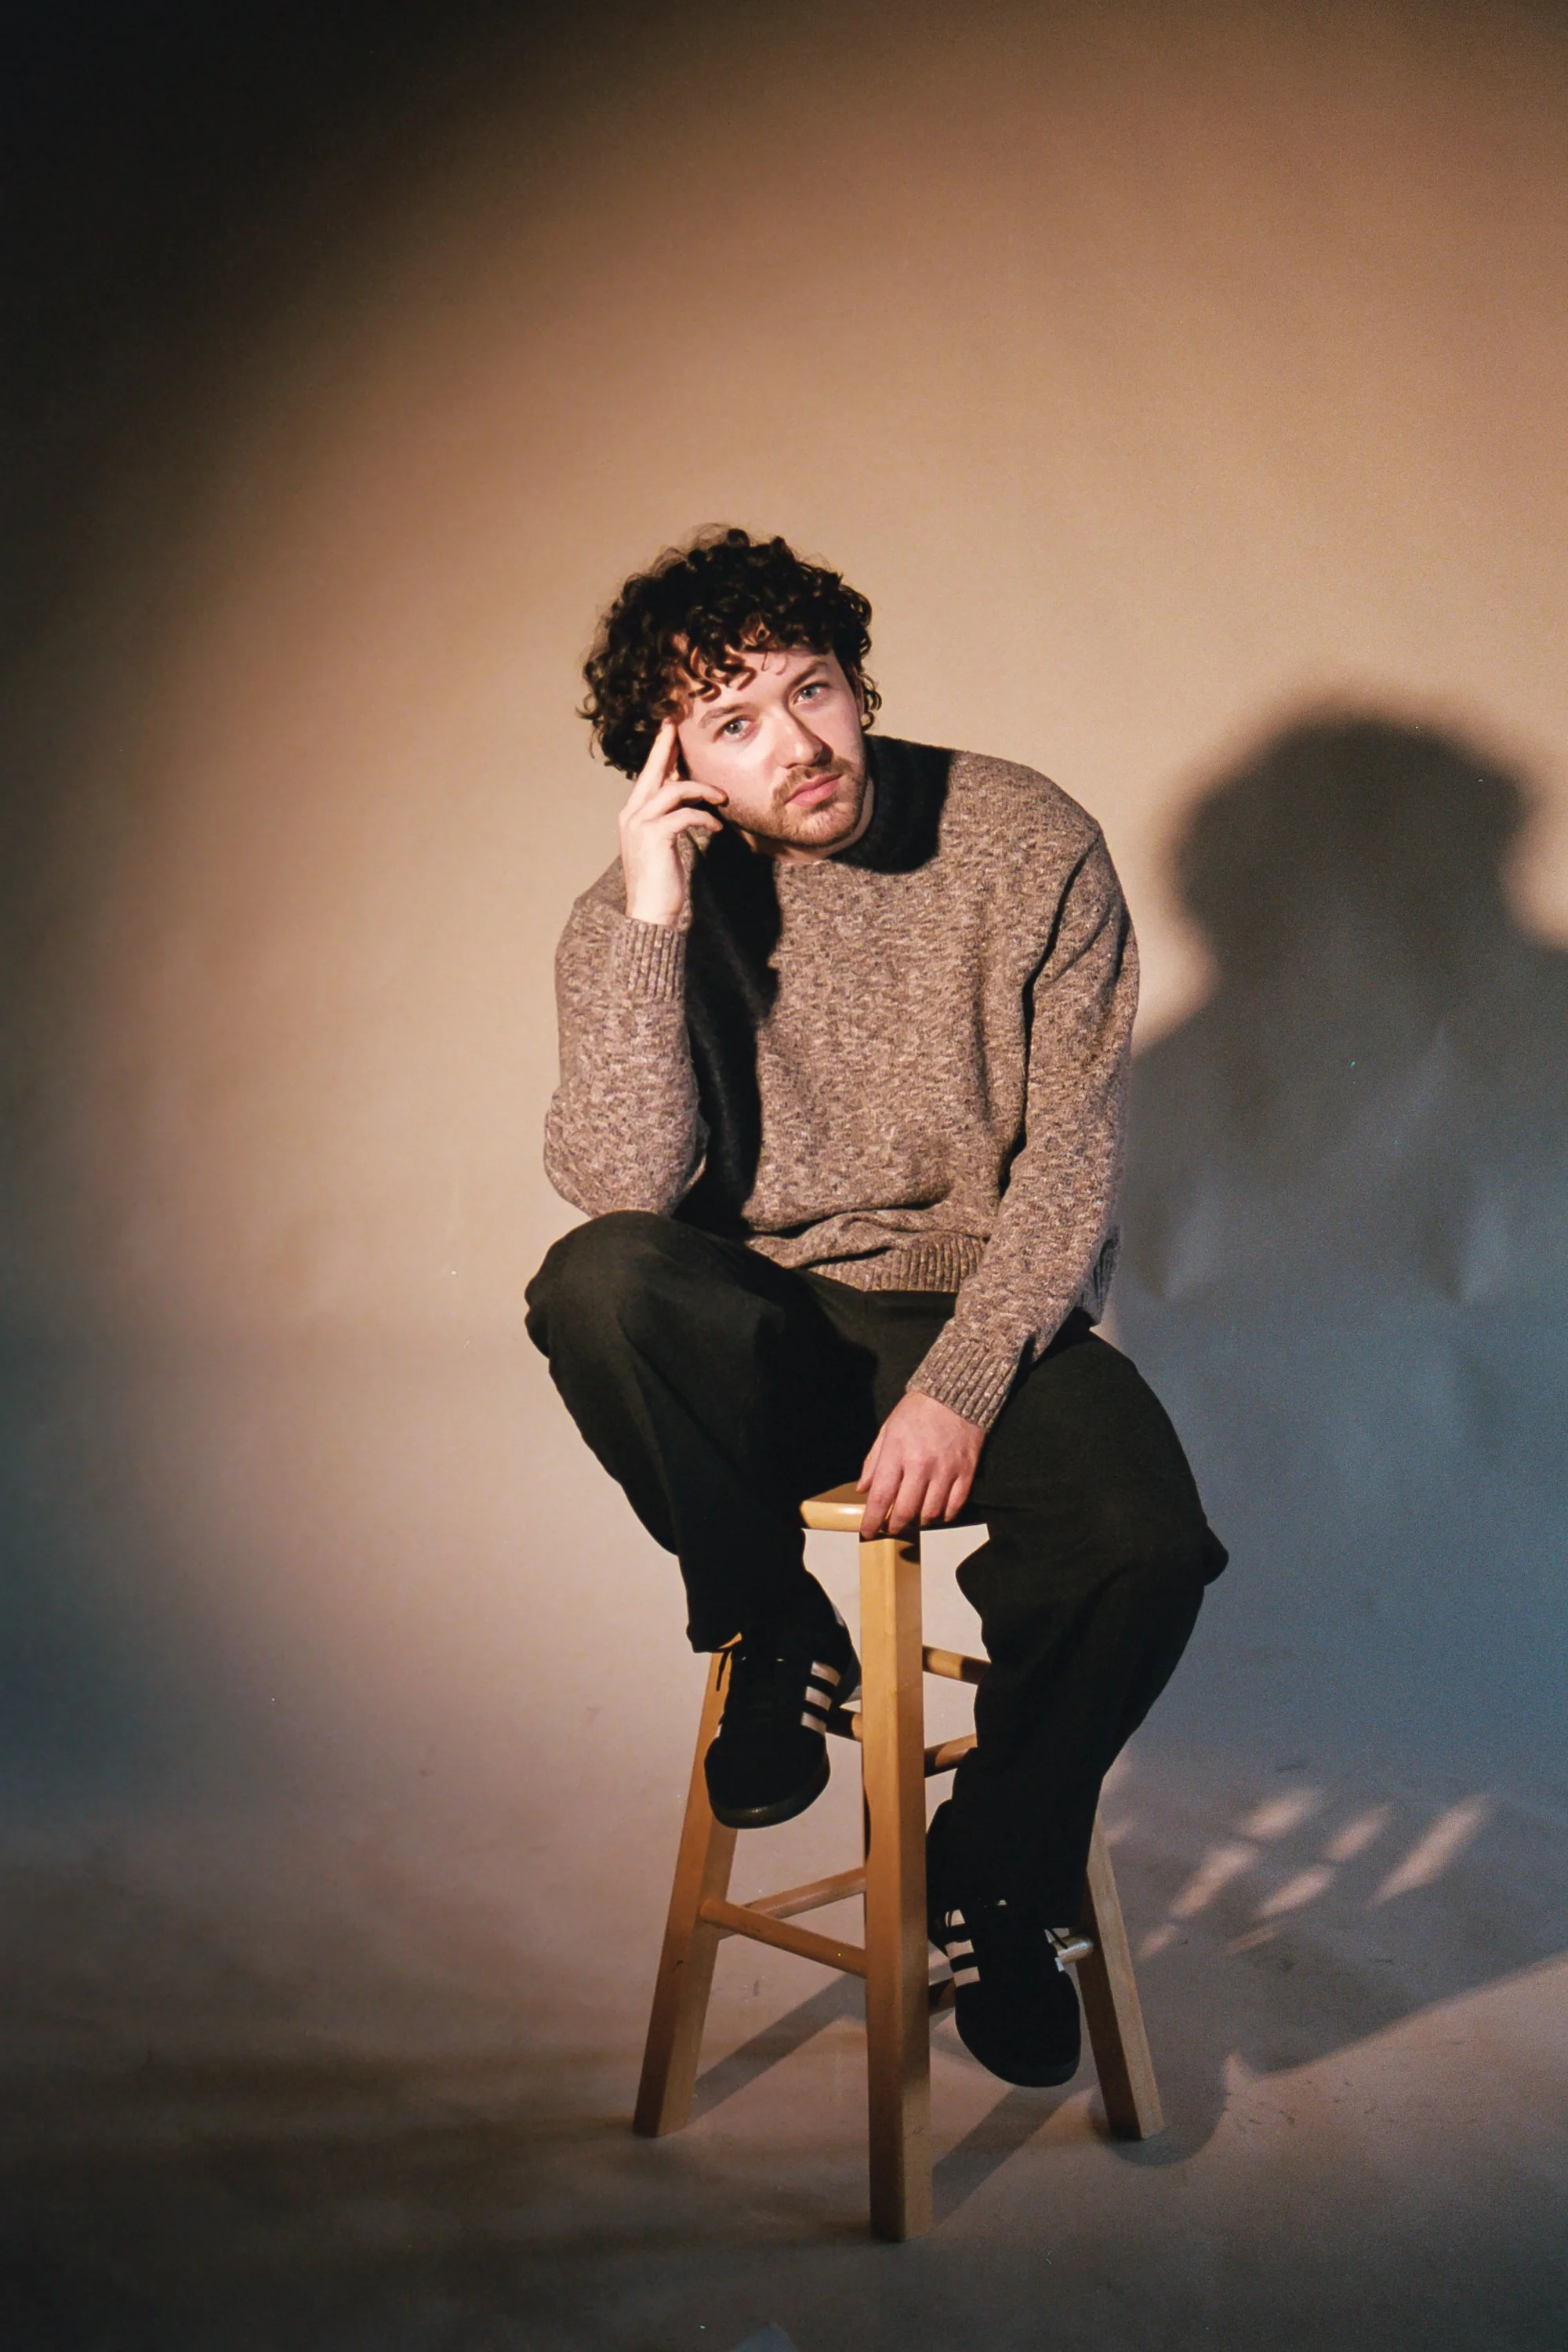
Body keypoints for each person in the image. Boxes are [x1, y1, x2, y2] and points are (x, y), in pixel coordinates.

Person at [525, 527, 1226, 2088]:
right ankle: (772, 1627)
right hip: (763, 1332)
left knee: (1147, 1544)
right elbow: (625, 1189)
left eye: (811, 689)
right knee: (597, 1282)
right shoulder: (631, 915)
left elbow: (1074, 1154)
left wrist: (962, 1382)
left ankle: (1000, 1866)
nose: (797, 743)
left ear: (856, 680)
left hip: (981, 1302)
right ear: (672, 762)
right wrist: (653, 919)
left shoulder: (1022, 836)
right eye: (733, 722)